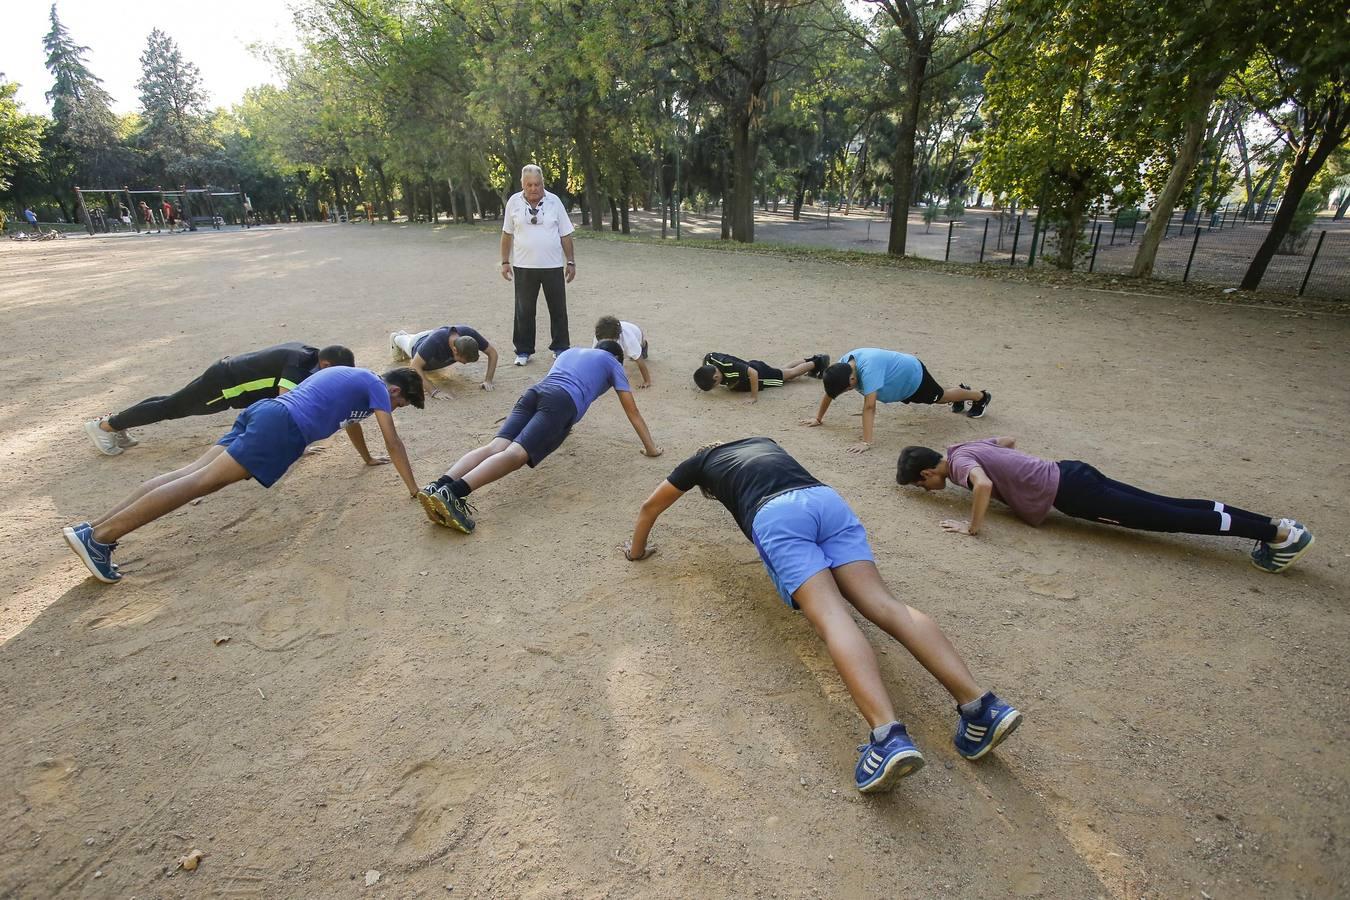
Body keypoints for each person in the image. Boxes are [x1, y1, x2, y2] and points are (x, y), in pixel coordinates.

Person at [622, 437, 1021, 793]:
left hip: (776, 514)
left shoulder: (698, 464)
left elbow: (649, 507)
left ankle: (888, 738)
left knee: (833, 618)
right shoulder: (762, 441)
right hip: (825, 500)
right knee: (886, 605)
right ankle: (980, 705)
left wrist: (636, 552)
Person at [63, 367, 425, 584]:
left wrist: (365, 460)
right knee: (198, 483)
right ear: (394, 390)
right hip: (281, 428)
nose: (394, 408)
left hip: (266, 412)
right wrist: (413, 489)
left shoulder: (354, 377)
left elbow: (351, 425)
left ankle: (92, 529)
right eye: (400, 404)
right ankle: (101, 536)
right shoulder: (377, 387)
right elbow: (393, 440)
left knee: (190, 472)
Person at [896, 437, 1316, 574]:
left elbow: (983, 484)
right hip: (1072, 471)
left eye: (923, 487)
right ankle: (1275, 526)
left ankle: (1278, 536)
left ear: (927, 474)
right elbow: (1005, 443)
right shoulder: (962, 445)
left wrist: (972, 527)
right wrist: (1022, 474)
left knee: (1168, 518)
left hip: (1075, 494)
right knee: (1168, 503)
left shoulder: (959, 466)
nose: (930, 491)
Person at [418, 342, 662, 533]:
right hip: (560, 402)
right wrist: (651, 448)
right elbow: (633, 411)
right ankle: (454, 492)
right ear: (617, 357)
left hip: (535, 392)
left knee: (495, 446)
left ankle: (437, 485)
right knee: (515, 455)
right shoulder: (612, 362)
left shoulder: (570, 352)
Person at [83, 343, 356, 456]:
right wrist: (295, 445)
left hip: (224, 373)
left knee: (171, 402)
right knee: (172, 407)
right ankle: (106, 427)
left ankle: (114, 423)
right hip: (226, 386)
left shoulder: (310, 355)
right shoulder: (301, 364)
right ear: (326, 363)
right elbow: (284, 407)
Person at [802, 349, 991, 454]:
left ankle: (979, 397)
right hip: (901, 382)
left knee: (940, 397)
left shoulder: (869, 369)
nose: (850, 391)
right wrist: (818, 418)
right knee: (941, 394)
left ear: (852, 380)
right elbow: (830, 392)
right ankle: (963, 392)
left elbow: (869, 407)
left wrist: (866, 442)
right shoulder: (842, 368)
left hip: (913, 378)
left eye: (848, 389)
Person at [500, 164, 575, 366]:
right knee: (524, 310)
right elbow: (507, 234)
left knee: (558, 308)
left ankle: (560, 348)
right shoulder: (513, 203)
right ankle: (523, 351)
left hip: (552, 266)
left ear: (543, 183)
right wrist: (505, 261)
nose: (534, 188)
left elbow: (565, 234)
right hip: (524, 266)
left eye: (538, 184)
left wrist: (570, 261)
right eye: (530, 185)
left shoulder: (554, 202)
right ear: (523, 184)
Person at [390, 325, 499, 396]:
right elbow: (414, 366)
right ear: (455, 350)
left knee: (428, 349)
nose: (465, 363)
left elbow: (493, 353)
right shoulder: (435, 343)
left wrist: (488, 380)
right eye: (464, 360)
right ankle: (396, 338)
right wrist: (433, 391)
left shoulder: (469, 334)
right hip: (417, 344)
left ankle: (409, 337)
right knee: (408, 344)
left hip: (433, 335)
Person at [695, 352, 829, 403]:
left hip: (760, 374)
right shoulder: (710, 360)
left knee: (789, 375)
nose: (717, 386)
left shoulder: (730, 365)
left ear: (716, 375)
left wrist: (753, 397)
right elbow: (706, 359)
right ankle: (810, 359)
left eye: (715, 384)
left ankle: (818, 362)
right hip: (754, 366)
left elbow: (753, 373)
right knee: (783, 369)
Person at [593, 315, 652, 388]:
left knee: (635, 354)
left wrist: (647, 381)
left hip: (636, 333)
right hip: (617, 333)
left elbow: (639, 360)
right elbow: (595, 356)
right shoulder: (599, 335)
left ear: (617, 337)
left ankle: (644, 345)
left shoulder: (629, 339)